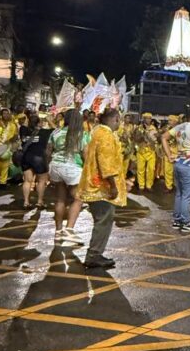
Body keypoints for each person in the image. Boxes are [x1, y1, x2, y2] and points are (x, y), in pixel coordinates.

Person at [78, 108, 129, 270]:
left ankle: (95, 254)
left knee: (102, 219)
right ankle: (94, 255)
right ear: (115, 119)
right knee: (104, 220)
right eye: (119, 120)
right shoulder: (105, 135)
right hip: (101, 187)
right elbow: (106, 163)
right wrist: (113, 185)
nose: (120, 123)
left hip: (94, 183)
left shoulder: (96, 132)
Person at [48, 108, 91, 245]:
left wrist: (48, 168)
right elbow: (86, 156)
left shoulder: (55, 132)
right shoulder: (82, 134)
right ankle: (69, 230)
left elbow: (48, 151)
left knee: (60, 199)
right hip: (73, 168)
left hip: (55, 166)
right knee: (78, 198)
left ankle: (58, 232)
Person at [19, 113, 52, 209]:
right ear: (39, 123)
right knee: (41, 181)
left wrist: (29, 121)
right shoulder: (44, 132)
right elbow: (56, 129)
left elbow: (24, 125)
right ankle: (40, 201)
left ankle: (26, 202)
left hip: (26, 158)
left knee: (27, 181)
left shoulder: (23, 130)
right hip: (39, 158)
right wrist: (48, 120)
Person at [0, 107, 20, 188]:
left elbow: (16, 136)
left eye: (7, 113)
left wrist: (12, 140)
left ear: (10, 115)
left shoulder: (13, 125)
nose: (5, 115)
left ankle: (3, 183)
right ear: (1, 115)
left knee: (5, 166)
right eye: (4, 113)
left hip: (7, 148)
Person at [134, 113, 158, 190]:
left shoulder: (153, 128)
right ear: (143, 119)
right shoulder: (139, 128)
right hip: (141, 150)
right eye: (146, 118)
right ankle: (141, 185)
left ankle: (149, 185)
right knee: (140, 169)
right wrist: (142, 135)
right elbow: (136, 139)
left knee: (151, 169)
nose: (148, 120)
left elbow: (156, 139)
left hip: (151, 150)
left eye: (149, 118)